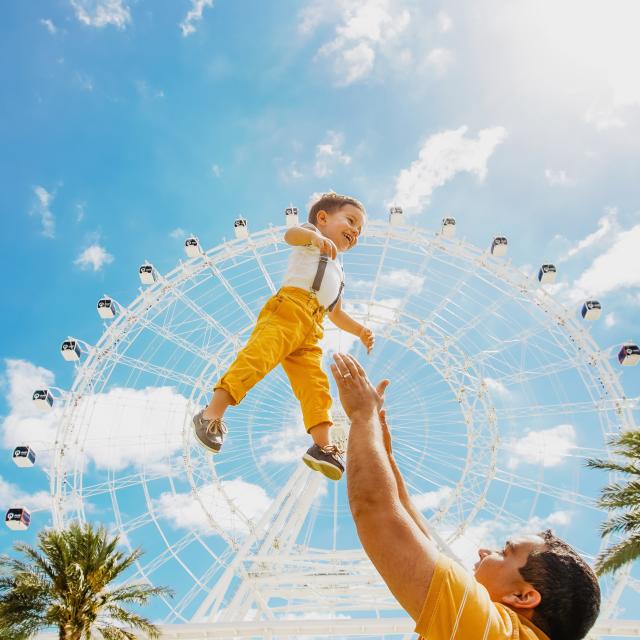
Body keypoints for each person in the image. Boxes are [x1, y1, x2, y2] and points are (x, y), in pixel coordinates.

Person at [330, 352, 601, 640]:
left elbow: (375, 511)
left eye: (504, 551)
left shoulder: (494, 631)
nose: (485, 550)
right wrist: (383, 455)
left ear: (523, 597)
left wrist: (363, 414)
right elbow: (422, 543)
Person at [192, 193, 374, 481]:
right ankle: (210, 415)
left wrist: (360, 330)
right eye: (351, 221)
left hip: (313, 328)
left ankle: (323, 447)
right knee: (257, 359)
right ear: (323, 219)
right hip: (289, 308)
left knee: (315, 386)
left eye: (360, 230)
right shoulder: (311, 234)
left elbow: (336, 313)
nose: (355, 231)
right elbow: (289, 235)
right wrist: (313, 238)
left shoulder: (340, 271)